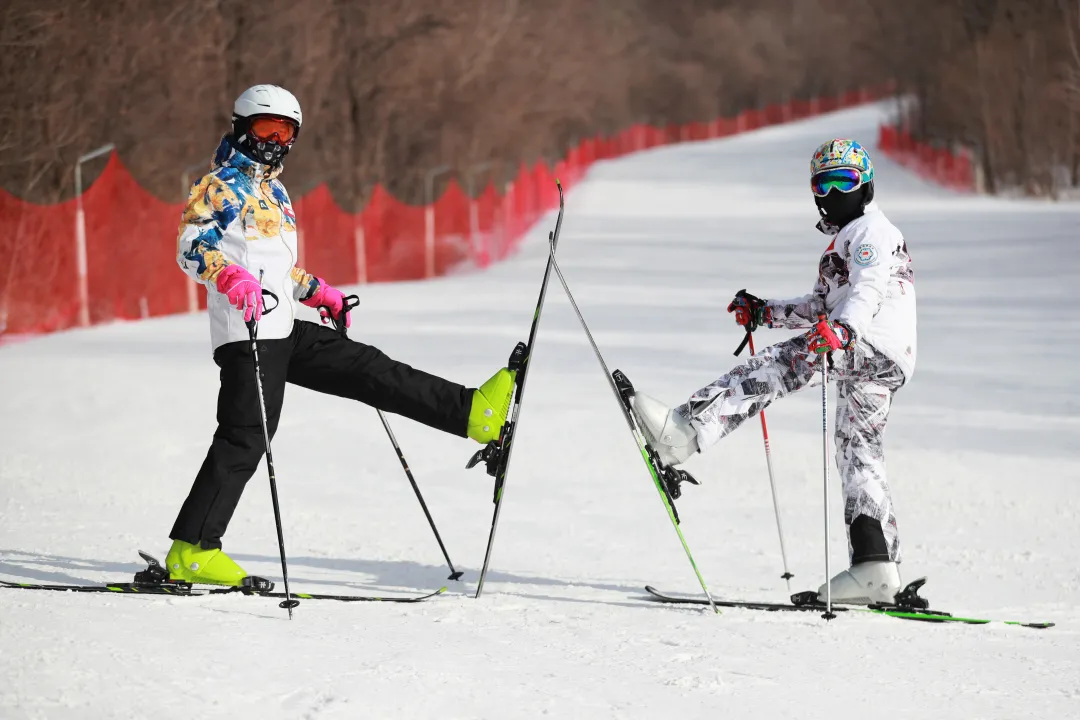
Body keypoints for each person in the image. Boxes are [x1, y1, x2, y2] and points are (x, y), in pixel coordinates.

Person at [167, 84, 514, 586]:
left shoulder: (275, 192)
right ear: (243, 127)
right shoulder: (221, 185)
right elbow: (191, 244)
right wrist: (227, 275)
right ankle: (192, 551)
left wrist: (316, 290)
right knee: (245, 437)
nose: (275, 139)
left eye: (286, 131)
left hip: (282, 326)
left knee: (367, 367)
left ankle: (473, 413)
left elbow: (273, 267)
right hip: (248, 335)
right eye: (266, 128)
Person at [631, 139, 916, 605]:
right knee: (857, 451)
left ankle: (683, 431)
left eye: (842, 180)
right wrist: (766, 312)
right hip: (884, 354)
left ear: (865, 184)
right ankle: (875, 567)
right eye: (821, 184)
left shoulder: (870, 233)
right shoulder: (850, 236)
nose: (830, 192)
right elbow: (821, 306)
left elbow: (866, 292)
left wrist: (842, 332)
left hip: (867, 342)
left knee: (777, 367)